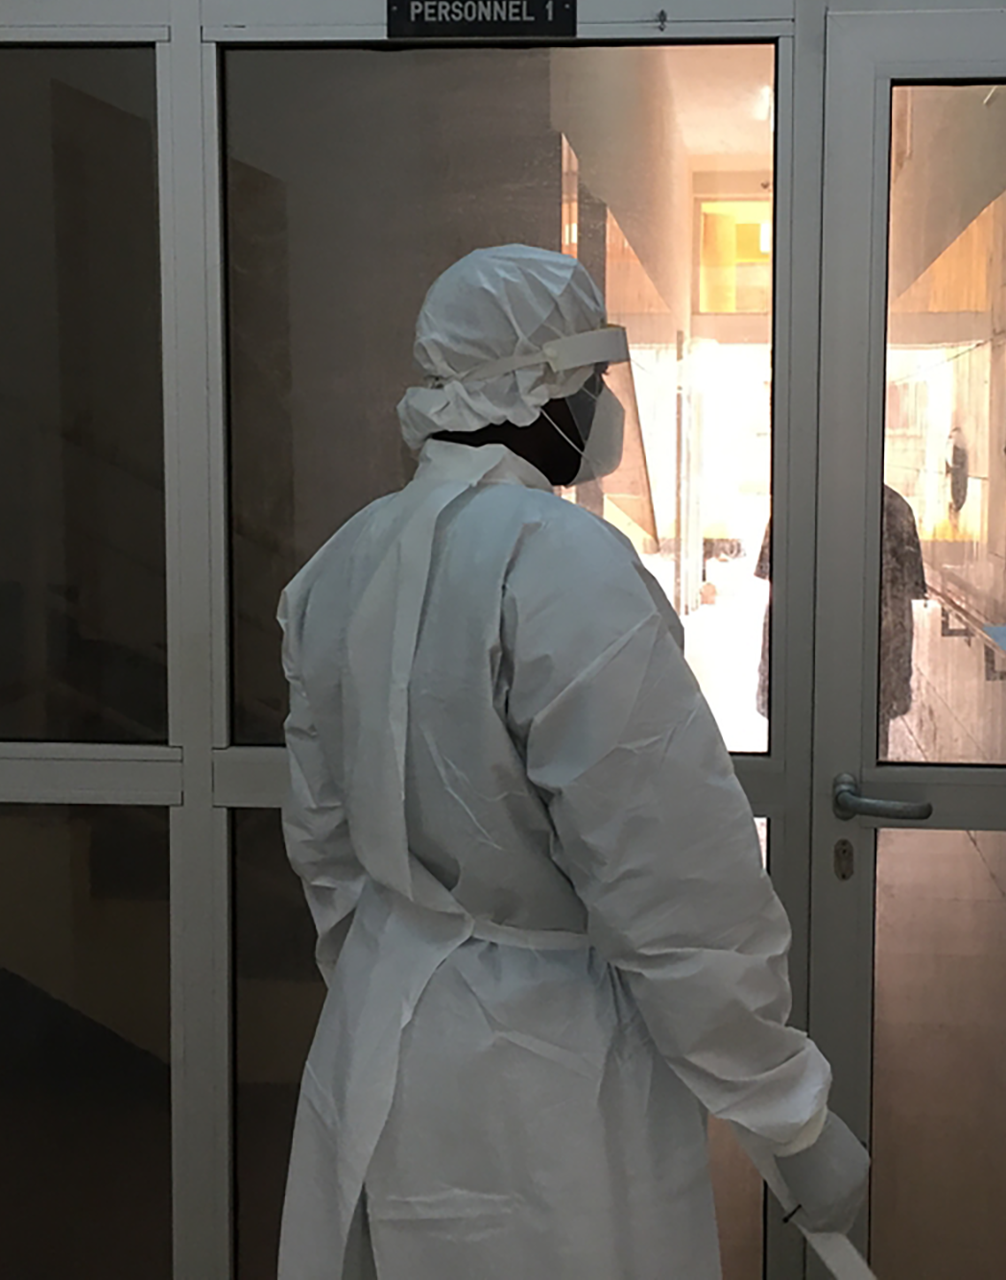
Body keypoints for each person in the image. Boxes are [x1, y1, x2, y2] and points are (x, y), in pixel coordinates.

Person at [274, 244, 866, 1280]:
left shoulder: (343, 561)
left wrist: (397, 968)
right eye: (588, 382)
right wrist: (785, 1106)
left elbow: (323, 843)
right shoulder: (559, 563)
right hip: (549, 1072)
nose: (600, 407)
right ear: (531, 386)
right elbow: (673, 880)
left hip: (378, 1035)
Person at [756, 484, 927, 757]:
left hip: (808, 651)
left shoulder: (797, 506)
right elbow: (909, 590)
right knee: (868, 753)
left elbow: (774, 578)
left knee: (798, 749)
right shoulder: (894, 508)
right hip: (875, 658)